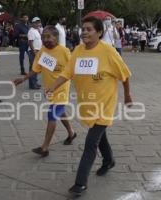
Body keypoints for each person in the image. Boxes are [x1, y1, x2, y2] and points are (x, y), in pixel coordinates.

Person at [45, 16, 132, 195]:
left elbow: (124, 74)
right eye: (83, 29)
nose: (84, 32)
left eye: (89, 29)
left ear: (99, 32)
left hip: (105, 104)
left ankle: (80, 184)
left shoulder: (108, 51)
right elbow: (67, 72)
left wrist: (128, 96)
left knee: (91, 142)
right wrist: (52, 87)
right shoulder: (78, 50)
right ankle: (109, 160)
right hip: (87, 104)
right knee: (99, 134)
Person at [14, 26, 77, 156]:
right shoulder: (42, 51)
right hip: (50, 88)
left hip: (62, 87)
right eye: (43, 37)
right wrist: (24, 78)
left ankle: (45, 147)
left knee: (52, 114)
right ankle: (71, 133)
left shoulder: (64, 51)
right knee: (60, 112)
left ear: (56, 37)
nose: (45, 40)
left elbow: (72, 69)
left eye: (48, 37)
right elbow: (36, 69)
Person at [27, 17, 42, 90]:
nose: (37, 23)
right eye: (36, 22)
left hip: (38, 51)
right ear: (32, 23)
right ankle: (32, 85)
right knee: (33, 68)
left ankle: (35, 82)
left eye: (38, 22)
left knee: (36, 68)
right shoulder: (31, 31)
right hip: (33, 51)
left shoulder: (36, 30)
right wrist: (34, 52)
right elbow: (30, 42)